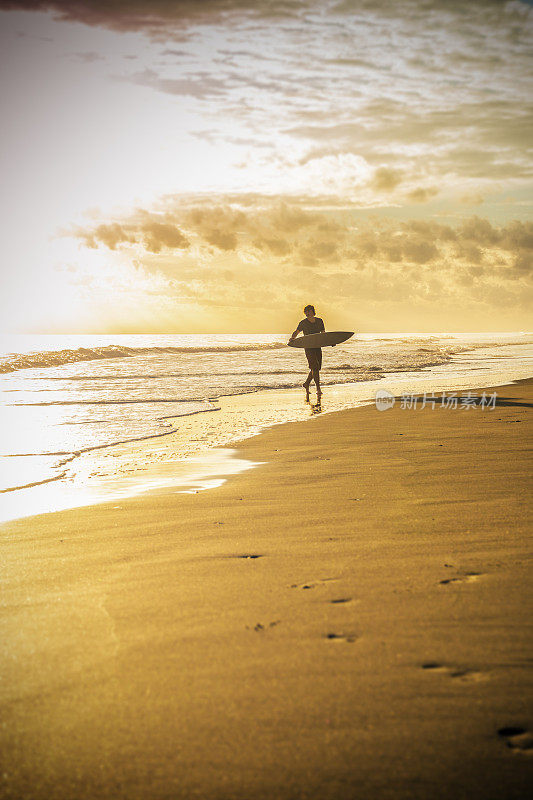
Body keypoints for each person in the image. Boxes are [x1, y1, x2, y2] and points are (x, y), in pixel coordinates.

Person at [289, 305, 325, 400]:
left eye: (308, 311)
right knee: (315, 368)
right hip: (308, 347)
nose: (307, 313)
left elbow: (323, 334)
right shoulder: (303, 323)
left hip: (317, 347)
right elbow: (296, 332)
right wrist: (293, 338)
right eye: (306, 312)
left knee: (316, 367)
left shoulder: (319, 321)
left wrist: (330, 342)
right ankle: (318, 389)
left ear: (313, 311)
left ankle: (306, 384)